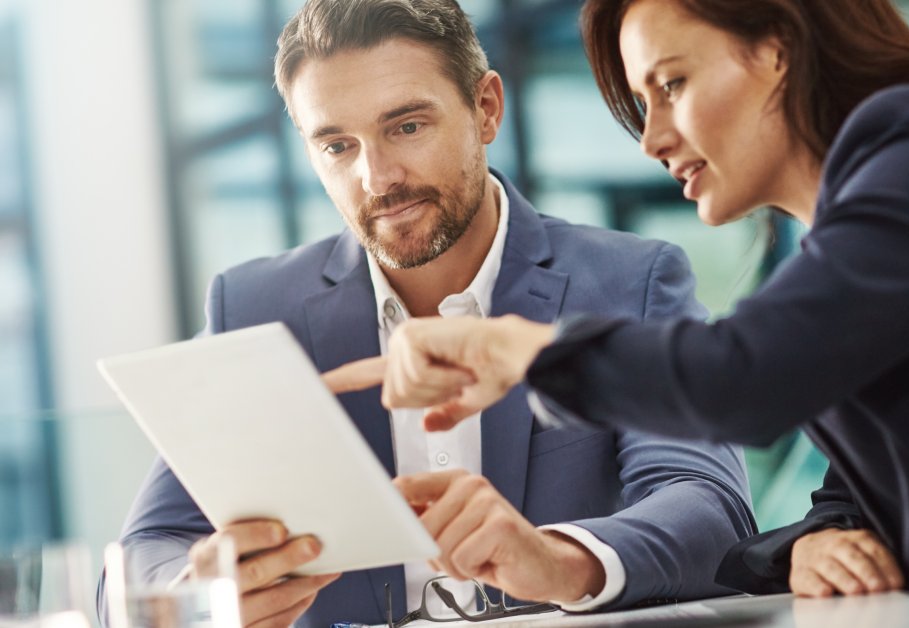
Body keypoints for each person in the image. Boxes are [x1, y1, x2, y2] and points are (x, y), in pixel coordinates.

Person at [323, 0, 909, 626]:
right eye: (643, 102)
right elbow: (851, 486)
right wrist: (818, 542)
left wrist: (515, 347)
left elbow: (745, 379)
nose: (653, 137)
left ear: (777, 47)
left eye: (670, 85)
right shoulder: (859, 230)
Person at [103, 1, 757, 627]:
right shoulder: (252, 309)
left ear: (486, 108)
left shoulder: (627, 283)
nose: (377, 177)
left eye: (406, 126)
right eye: (337, 146)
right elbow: (140, 560)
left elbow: (710, 507)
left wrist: (559, 561)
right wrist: (197, 596)